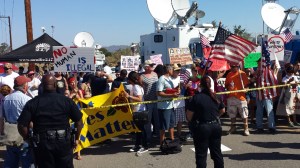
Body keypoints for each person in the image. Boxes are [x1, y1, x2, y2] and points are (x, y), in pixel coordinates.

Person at [17, 74, 83, 168]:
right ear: (56, 85)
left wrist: (28, 139)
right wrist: (76, 138)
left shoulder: (33, 103)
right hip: (63, 143)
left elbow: (22, 125)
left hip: (42, 144)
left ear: (42, 86)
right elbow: (79, 122)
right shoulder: (66, 101)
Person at [187, 75, 225, 168]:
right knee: (217, 153)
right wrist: (215, 117)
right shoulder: (215, 96)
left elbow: (189, 116)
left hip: (202, 127)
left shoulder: (196, 98)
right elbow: (223, 110)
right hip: (215, 126)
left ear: (200, 85)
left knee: (201, 155)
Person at [2, 76, 33, 167]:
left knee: (11, 159)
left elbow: (1, 117)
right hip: (23, 132)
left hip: (10, 132)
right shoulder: (26, 99)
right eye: (27, 84)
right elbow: (30, 119)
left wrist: (2, 132)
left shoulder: (6, 98)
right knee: (26, 160)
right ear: (24, 86)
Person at [126, 71, 149, 155]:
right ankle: (137, 145)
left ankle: (145, 146)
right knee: (138, 129)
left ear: (130, 79)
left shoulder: (136, 86)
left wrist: (129, 96)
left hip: (139, 111)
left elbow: (139, 99)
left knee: (141, 129)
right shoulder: (138, 86)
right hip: (139, 110)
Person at [156, 65, 179, 147]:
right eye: (172, 69)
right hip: (164, 106)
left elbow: (168, 90)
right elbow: (159, 92)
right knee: (163, 126)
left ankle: (172, 141)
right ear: (169, 70)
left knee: (171, 124)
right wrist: (172, 95)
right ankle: (162, 143)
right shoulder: (162, 79)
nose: (173, 71)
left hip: (170, 105)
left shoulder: (169, 79)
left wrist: (175, 90)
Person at [225, 64, 250, 136]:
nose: (232, 68)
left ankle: (246, 128)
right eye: (231, 67)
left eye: (233, 66)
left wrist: (246, 89)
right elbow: (226, 85)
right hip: (231, 97)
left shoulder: (242, 73)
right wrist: (228, 86)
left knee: (244, 114)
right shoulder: (229, 74)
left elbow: (247, 85)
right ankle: (233, 127)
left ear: (238, 66)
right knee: (232, 114)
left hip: (241, 97)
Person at [255, 58, 278, 134]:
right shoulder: (258, 71)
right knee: (259, 111)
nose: (257, 64)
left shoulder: (269, 71)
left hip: (267, 95)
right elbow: (254, 79)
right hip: (259, 94)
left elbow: (274, 82)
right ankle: (259, 127)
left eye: (258, 62)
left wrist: (274, 95)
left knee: (269, 111)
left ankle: (271, 127)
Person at [140, 60, 159, 141]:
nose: (152, 66)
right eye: (151, 65)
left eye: (153, 65)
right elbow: (141, 88)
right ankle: (148, 137)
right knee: (148, 120)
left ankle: (157, 134)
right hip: (148, 101)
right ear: (146, 67)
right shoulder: (141, 76)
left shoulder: (155, 74)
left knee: (157, 119)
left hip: (157, 100)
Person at [170, 64, 186, 140]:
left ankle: (179, 135)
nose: (178, 72)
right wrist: (176, 88)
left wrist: (185, 86)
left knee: (180, 120)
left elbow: (183, 89)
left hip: (181, 102)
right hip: (173, 103)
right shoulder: (169, 79)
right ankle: (172, 137)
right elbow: (168, 90)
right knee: (173, 122)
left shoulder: (181, 78)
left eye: (178, 70)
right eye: (176, 70)